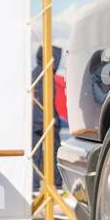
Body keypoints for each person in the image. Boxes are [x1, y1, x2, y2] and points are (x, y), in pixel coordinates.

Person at [31, 46, 66, 191]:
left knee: (35, 155)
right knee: (54, 153)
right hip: (48, 119)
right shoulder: (47, 75)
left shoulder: (34, 73)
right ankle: (57, 186)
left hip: (35, 119)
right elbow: (48, 98)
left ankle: (33, 187)